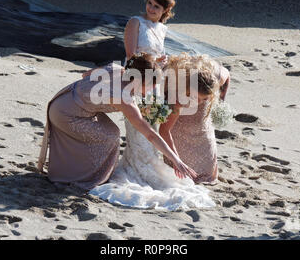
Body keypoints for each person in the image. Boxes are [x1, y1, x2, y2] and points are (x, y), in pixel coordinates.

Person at [37, 53, 197, 190]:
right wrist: (176, 160)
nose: (150, 90)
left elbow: (85, 75)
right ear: (141, 82)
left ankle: (77, 169)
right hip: (66, 114)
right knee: (111, 136)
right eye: (150, 86)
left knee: (111, 131)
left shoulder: (118, 69)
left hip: (63, 98)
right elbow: (150, 134)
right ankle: (91, 178)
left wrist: (93, 98)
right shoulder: (124, 98)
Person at [160, 53, 230, 184]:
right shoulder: (178, 94)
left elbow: (227, 75)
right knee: (180, 176)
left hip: (201, 127)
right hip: (178, 125)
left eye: (203, 98)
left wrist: (221, 101)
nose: (198, 102)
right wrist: (176, 160)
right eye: (196, 97)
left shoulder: (217, 76)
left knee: (207, 174)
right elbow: (164, 131)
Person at [124, 0, 175, 67]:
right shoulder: (135, 22)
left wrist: (163, 61)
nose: (151, 8)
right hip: (135, 73)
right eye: (150, 3)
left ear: (165, 10)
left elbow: (158, 54)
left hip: (155, 73)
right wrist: (155, 61)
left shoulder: (162, 28)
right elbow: (130, 56)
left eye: (156, 6)